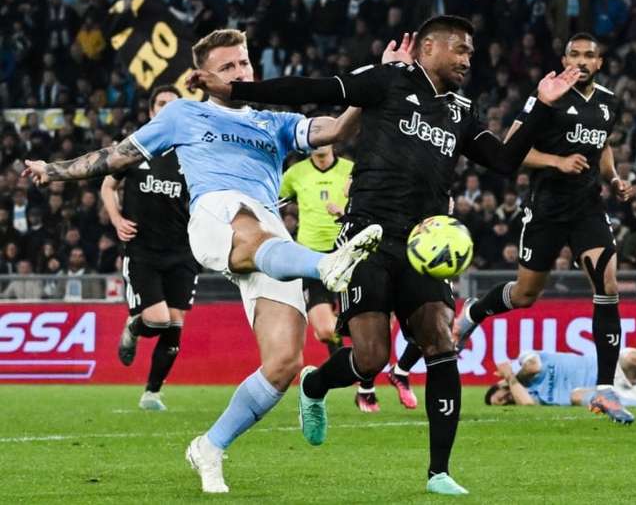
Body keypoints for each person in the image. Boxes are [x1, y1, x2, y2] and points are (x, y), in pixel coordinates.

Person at [187, 15, 580, 495]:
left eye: (471, 52)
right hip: (366, 239)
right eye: (460, 49)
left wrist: (540, 105)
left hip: (422, 245)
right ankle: (314, 387)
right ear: (429, 47)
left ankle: (439, 472)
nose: (467, 59)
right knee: (370, 358)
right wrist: (241, 89)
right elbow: (310, 88)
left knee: (440, 339)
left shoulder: (460, 110)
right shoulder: (387, 80)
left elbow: (502, 160)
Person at [22, 29, 384, 494]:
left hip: (272, 236)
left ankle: (209, 446)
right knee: (249, 225)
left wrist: (367, 89)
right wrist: (53, 170)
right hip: (217, 213)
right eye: (228, 67)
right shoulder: (183, 114)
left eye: (245, 64)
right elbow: (116, 156)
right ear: (203, 76)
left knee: (284, 363)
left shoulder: (272, 121)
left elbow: (333, 129)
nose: (241, 73)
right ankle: (325, 265)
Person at [455, 33, 636, 425]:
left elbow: (601, 146)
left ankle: (605, 390)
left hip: (588, 208)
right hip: (546, 211)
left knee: (607, 283)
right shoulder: (548, 96)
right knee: (524, 295)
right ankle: (473, 312)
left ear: (600, 63)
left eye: (590, 56)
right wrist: (557, 161)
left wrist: (615, 179)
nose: (582, 61)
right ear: (565, 57)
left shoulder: (608, 102)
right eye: (575, 54)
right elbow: (512, 147)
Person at [100, 85, 198, 412]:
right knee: (156, 320)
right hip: (143, 251)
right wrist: (116, 219)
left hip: (183, 251)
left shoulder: (192, 153)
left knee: (175, 324)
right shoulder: (135, 148)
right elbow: (107, 184)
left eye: (174, 105)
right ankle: (133, 327)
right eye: (161, 104)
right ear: (151, 111)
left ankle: (152, 393)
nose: (167, 109)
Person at [280, 144, 382, 413]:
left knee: (370, 322)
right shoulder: (295, 173)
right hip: (312, 259)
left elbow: (369, 204)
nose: (319, 145)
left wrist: (345, 215)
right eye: (314, 140)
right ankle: (347, 368)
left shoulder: (350, 170)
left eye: (324, 139)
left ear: (333, 142)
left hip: (349, 254)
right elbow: (273, 199)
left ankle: (364, 385)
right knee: (325, 330)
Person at [484, 349, 636, 410]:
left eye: (502, 393)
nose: (506, 398)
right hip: (608, 398)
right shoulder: (531, 398)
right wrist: (511, 382)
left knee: (635, 357)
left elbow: (533, 365)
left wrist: (512, 376)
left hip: (611, 371)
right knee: (576, 395)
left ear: (501, 382)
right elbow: (525, 404)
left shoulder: (527, 359)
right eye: (503, 402)